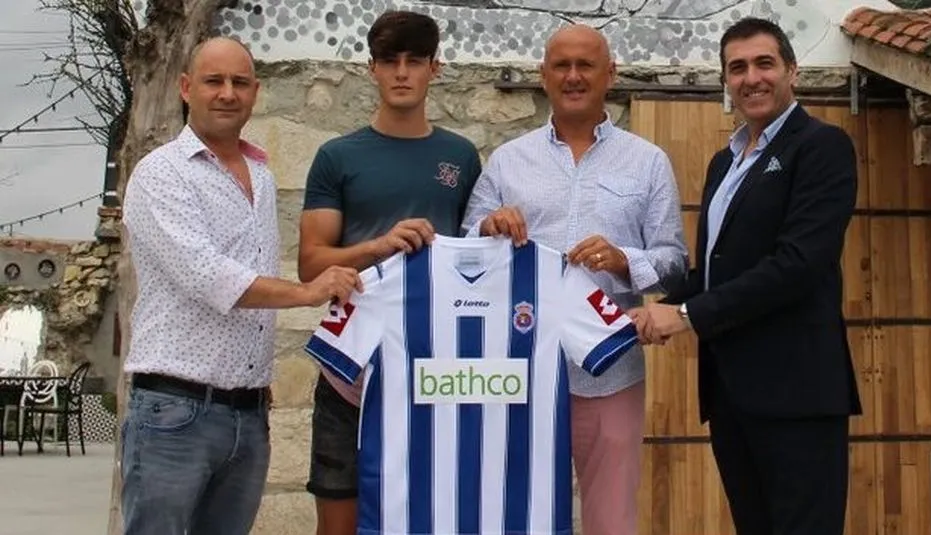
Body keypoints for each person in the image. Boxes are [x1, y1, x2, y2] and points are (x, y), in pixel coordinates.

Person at [120, 37, 362, 535]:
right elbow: (206, 275)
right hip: (174, 413)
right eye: (214, 81)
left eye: (239, 82)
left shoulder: (261, 175)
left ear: (255, 92)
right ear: (186, 88)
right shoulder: (159, 174)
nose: (227, 93)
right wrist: (308, 292)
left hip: (248, 415)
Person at [633, 17, 863, 535]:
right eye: (737, 68)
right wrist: (654, 307)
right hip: (732, 392)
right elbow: (717, 271)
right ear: (725, 80)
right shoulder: (725, 162)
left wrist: (686, 315)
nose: (751, 78)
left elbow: (798, 264)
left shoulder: (822, 147)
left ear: (792, 72)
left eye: (764, 63)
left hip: (797, 393)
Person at [461, 24, 688, 535]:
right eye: (561, 65)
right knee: (520, 518)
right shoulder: (507, 160)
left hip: (610, 373)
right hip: (520, 371)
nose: (573, 76)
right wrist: (488, 228)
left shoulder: (648, 162)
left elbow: (675, 260)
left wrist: (624, 260)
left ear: (611, 75)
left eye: (586, 65)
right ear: (543, 76)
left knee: (611, 521)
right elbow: (466, 249)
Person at [296, 10, 482, 535]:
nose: (402, 73)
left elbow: (475, 256)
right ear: (371, 70)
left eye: (414, 61)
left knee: (432, 515)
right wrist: (378, 245)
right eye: (390, 61)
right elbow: (312, 261)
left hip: (435, 363)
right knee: (339, 517)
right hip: (350, 363)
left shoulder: (461, 157)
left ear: (434, 69)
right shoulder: (337, 156)